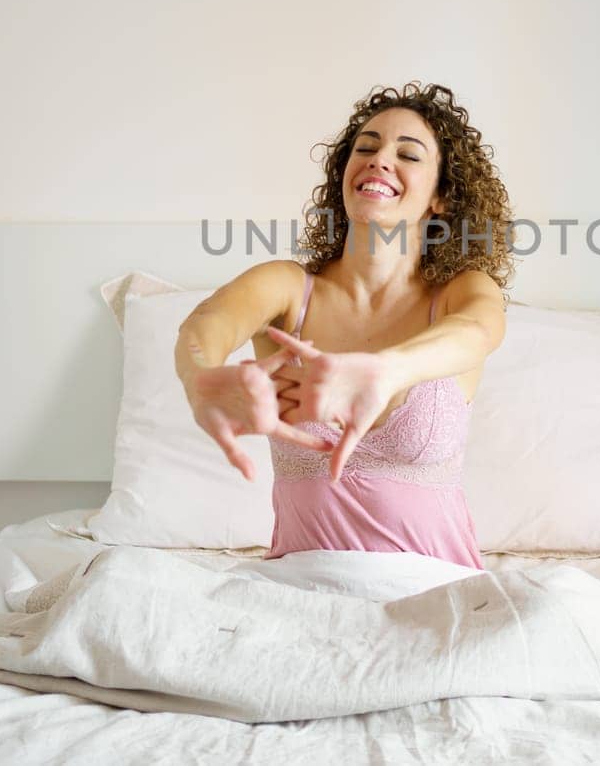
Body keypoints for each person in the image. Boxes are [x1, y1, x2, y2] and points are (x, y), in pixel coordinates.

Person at [175, 82, 515, 570]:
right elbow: (208, 323)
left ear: (441, 196)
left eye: (409, 154)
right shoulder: (289, 288)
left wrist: (389, 370)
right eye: (367, 147)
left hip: (437, 598)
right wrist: (198, 378)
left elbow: (481, 329)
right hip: (301, 593)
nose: (379, 160)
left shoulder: (460, 291)